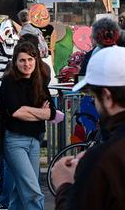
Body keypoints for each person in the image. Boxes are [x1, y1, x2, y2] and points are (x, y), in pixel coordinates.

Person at [52, 46, 125, 209]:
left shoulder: (103, 160)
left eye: (94, 97)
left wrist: (64, 184)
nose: (94, 103)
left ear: (107, 97)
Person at [0, 41, 55, 210]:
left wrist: (27, 110)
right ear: (15, 61)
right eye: (22, 60)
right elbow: (15, 112)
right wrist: (39, 113)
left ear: (36, 60)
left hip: (34, 142)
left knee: (19, 192)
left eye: (30, 59)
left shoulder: (39, 81)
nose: (27, 64)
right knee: (32, 192)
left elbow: (51, 113)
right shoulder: (9, 82)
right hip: (14, 142)